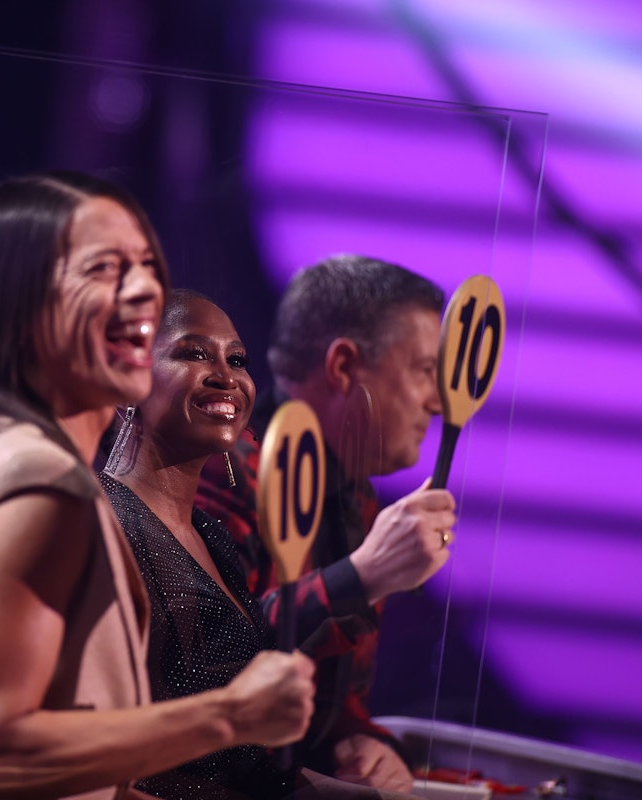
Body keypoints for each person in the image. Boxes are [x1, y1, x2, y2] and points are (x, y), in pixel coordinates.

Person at [0, 172, 316, 800]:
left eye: (144, 266)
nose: (143, 294)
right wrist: (228, 714)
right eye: (104, 271)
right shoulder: (31, 484)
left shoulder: (37, 472)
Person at [101, 289, 454, 798]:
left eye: (237, 359)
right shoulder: (99, 525)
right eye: (194, 353)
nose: (226, 375)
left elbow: (250, 754)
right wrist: (360, 577)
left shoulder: (212, 538)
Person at [195, 255, 453, 791]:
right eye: (424, 371)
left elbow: (333, 702)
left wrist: (359, 742)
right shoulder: (222, 471)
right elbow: (207, 667)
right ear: (343, 366)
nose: (437, 400)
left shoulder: (354, 494)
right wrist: (363, 576)